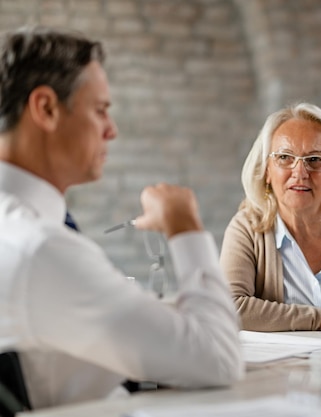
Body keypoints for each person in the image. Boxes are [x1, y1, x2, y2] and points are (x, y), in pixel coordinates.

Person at [0, 26, 242, 409]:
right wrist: (184, 225)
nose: (111, 131)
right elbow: (218, 357)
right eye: (99, 111)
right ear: (45, 108)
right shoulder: (39, 248)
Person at [220, 102, 321, 333]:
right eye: (284, 157)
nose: (300, 173)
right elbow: (227, 308)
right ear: (266, 170)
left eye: (315, 160)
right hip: (280, 369)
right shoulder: (247, 228)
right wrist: (316, 319)